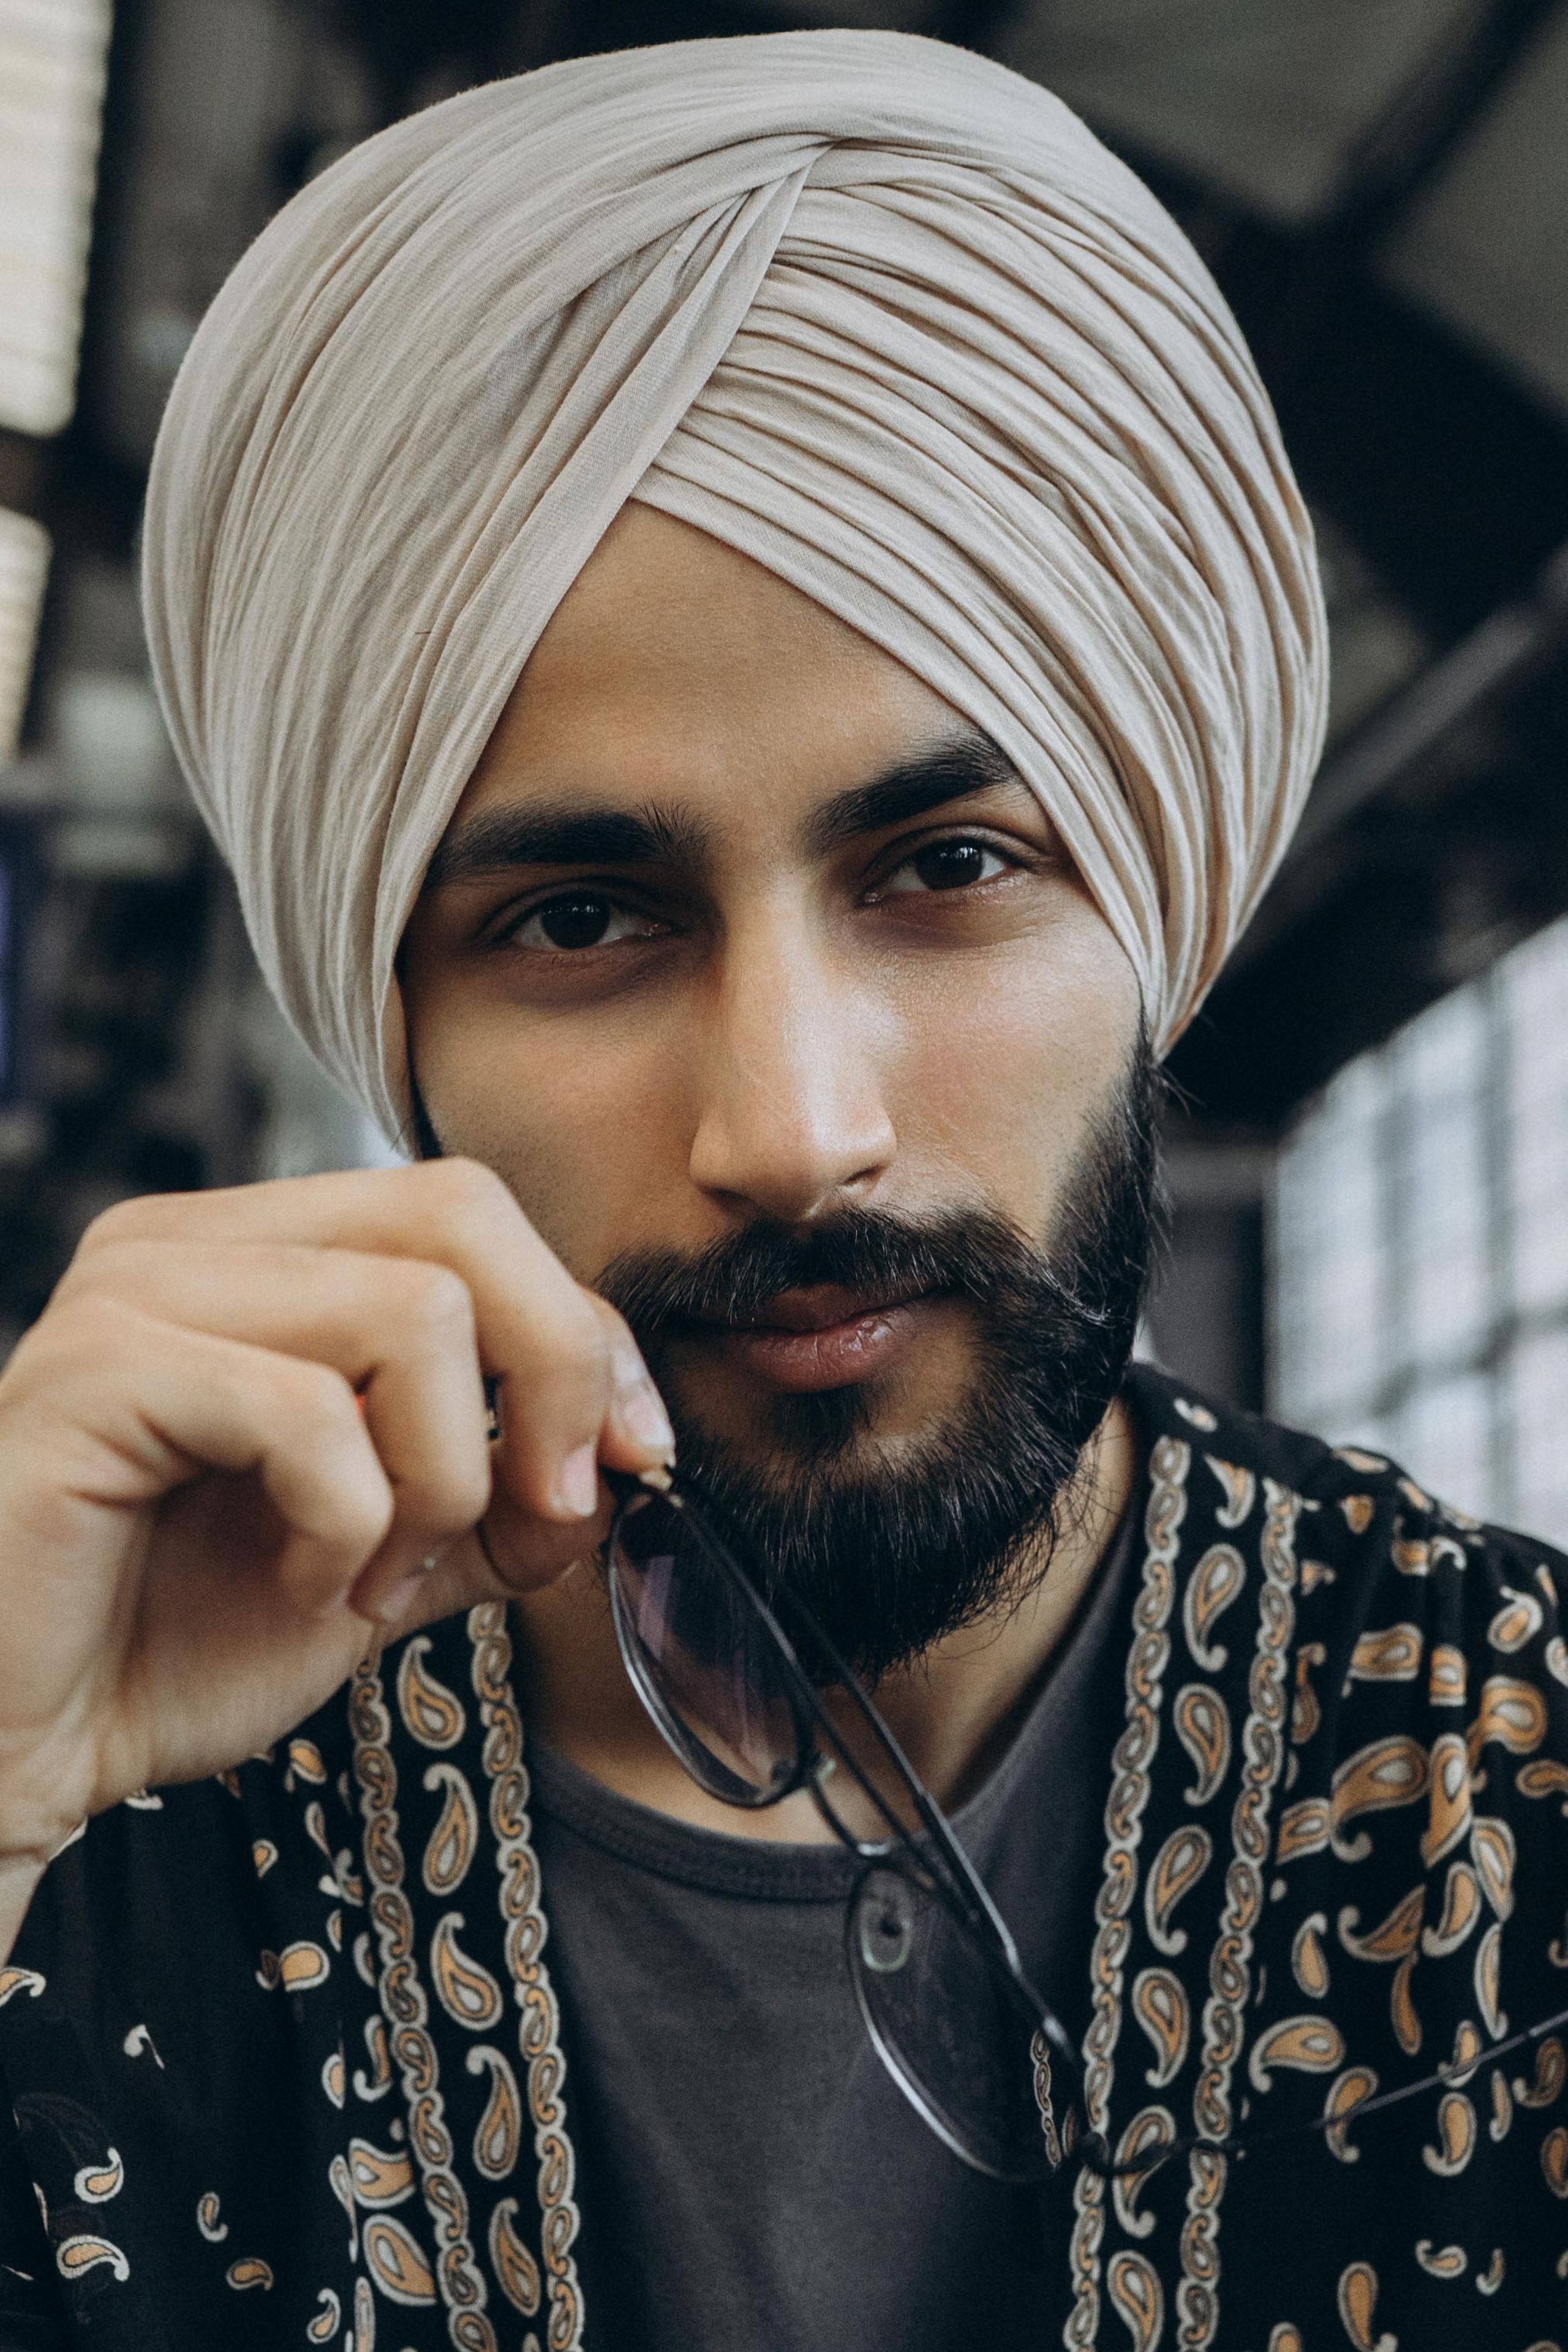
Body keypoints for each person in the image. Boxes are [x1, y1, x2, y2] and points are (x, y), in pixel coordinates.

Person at [0, 29, 1562, 2352]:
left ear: (1158, 903)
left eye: (945, 866)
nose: (793, 1124)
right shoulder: (110, 1819)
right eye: (584, 920)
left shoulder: (1509, 1788)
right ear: (393, 1022)